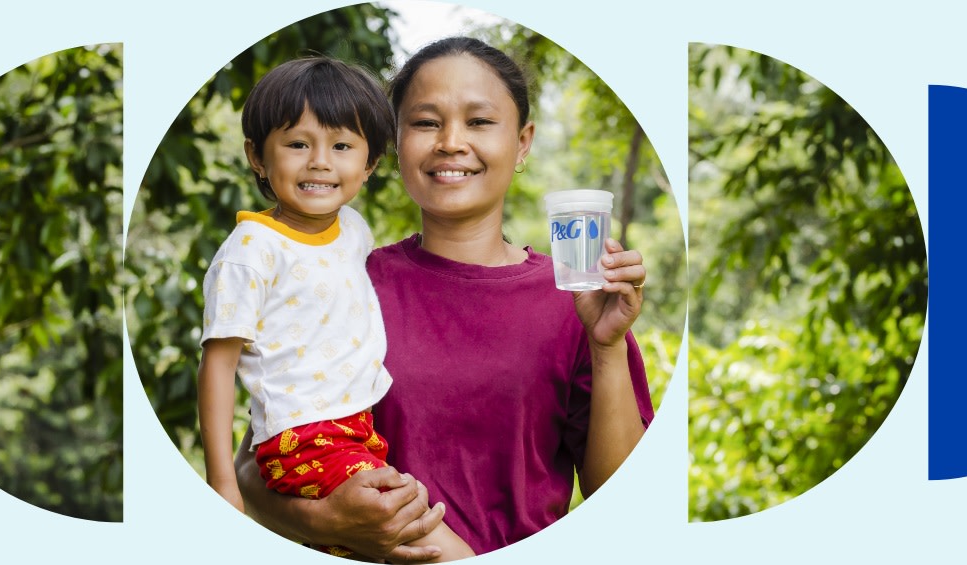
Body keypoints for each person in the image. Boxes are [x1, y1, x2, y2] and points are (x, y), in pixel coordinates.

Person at [236, 37, 654, 561]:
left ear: (522, 143)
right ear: (393, 143)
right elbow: (252, 467)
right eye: (426, 122)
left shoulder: (577, 299)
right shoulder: (342, 282)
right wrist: (329, 519)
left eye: (479, 122)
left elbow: (620, 501)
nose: (451, 142)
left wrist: (608, 345)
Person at [196, 56, 475, 561]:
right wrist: (222, 485)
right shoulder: (249, 252)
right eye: (298, 144)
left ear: (368, 164)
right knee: (443, 548)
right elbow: (217, 366)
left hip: (361, 429)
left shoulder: (353, 229)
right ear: (257, 156)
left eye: (342, 146)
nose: (321, 161)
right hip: (302, 439)